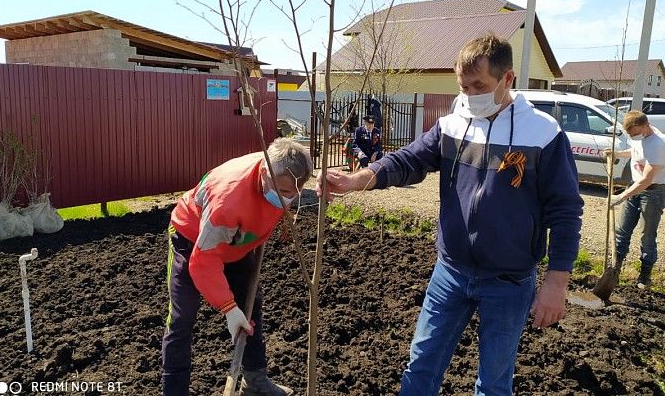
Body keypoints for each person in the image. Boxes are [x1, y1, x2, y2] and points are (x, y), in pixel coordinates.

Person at [317, 34, 583, 396]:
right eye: (463, 86)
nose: (470, 94)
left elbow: (565, 211)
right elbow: (407, 160)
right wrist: (356, 180)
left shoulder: (543, 134)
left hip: (509, 281)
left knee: (493, 382)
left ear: (508, 79)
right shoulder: (454, 123)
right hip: (451, 272)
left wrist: (556, 283)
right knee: (421, 365)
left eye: (480, 85)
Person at [162, 138, 313, 396]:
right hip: (193, 239)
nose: (290, 200)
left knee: (251, 307)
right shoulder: (228, 200)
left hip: (236, 243)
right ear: (265, 174)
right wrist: (229, 309)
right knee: (182, 316)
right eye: (285, 193)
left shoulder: (281, 172)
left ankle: (254, 381)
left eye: (294, 194)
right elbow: (204, 260)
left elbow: (277, 201)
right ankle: (174, 391)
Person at [606, 110, 665, 288]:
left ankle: (644, 277)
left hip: (652, 192)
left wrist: (621, 196)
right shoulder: (641, 138)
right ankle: (613, 273)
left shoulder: (659, 143)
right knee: (621, 232)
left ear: (645, 125)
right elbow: (636, 151)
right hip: (634, 187)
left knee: (647, 235)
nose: (633, 137)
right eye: (631, 134)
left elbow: (647, 179)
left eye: (635, 133)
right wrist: (618, 154)